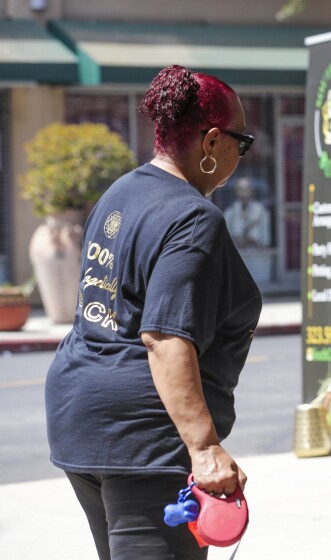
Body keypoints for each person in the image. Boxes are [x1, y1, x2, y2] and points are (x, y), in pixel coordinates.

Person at [44, 64, 262, 560]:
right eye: (240, 143)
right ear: (211, 143)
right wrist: (205, 448)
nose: (241, 155)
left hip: (81, 419)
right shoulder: (192, 218)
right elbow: (165, 338)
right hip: (142, 440)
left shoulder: (122, 192)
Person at [224, 176, 271, 248]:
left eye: (246, 189)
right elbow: (226, 242)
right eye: (241, 189)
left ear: (252, 191)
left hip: (258, 256)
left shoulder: (261, 211)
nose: (244, 193)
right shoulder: (229, 213)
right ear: (236, 191)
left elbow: (266, 241)